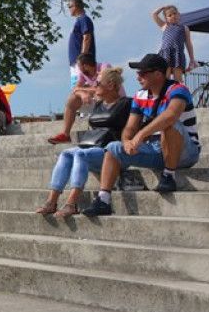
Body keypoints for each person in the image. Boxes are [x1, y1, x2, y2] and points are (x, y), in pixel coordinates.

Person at [83, 53, 200, 215]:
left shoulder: (178, 90)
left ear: (158, 74)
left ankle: (169, 175)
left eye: (143, 73)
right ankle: (103, 199)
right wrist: (126, 141)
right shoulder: (140, 95)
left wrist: (141, 135)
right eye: (138, 73)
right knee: (113, 147)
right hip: (156, 149)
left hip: (185, 152)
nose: (138, 77)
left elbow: (171, 115)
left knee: (169, 123)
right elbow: (130, 127)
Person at [35, 66, 129, 218]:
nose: (94, 86)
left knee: (80, 154)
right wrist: (82, 92)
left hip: (111, 152)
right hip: (92, 147)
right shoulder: (99, 104)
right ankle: (52, 201)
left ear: (111, 86)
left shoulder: (126, 104)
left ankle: (72, 202)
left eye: (97, 83)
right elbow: (76, 91)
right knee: (66, 153)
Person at [48, 53, 112, 144]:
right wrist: (82, 94)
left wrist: (83, 90)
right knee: (72, 99)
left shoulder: (104, 67)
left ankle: (104, 131)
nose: (78, 69)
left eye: (79, 66)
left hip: (113, 102)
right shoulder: (83, 73)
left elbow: (102, 89)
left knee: (99, 94)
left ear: (85, 66)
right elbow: (75, 90)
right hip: (97, 101)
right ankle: (65, 134)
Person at [152, 4, 197, 82]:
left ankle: (177, 89)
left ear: (179, 15)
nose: (173, 16)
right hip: (166, 53)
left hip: (178, 53)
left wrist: (192, 59)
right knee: (165, 77)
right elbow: (154, 14)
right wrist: (162, 8)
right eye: (170, 15)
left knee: (178, 78)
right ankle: (166, 89)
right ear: (166, 19)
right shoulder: (164, 26)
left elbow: (188, 44)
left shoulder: (184, 28)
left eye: (175, 13)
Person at [68, 0, 96, 87]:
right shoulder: (78, 21)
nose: (69, 9)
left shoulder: (84, 19)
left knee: (84, 87)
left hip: (82, 63)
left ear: (75, 7)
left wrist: (82, 58)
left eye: (70, 7)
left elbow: (87, 38)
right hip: (76, 62)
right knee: (76, 88)